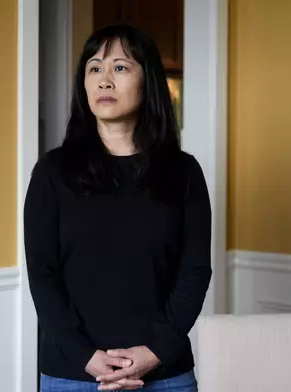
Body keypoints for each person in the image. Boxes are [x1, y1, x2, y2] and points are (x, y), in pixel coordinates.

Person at [24, 23, 212, 392]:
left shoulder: (183, 172)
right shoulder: (52, 172)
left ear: (148, 81)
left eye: (120, 67)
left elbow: (193, 273)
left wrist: (155, 351)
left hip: (165, 375)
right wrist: (86, 357)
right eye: (94, 68)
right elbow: (43, 276)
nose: (104, 80)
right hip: (72, 376)